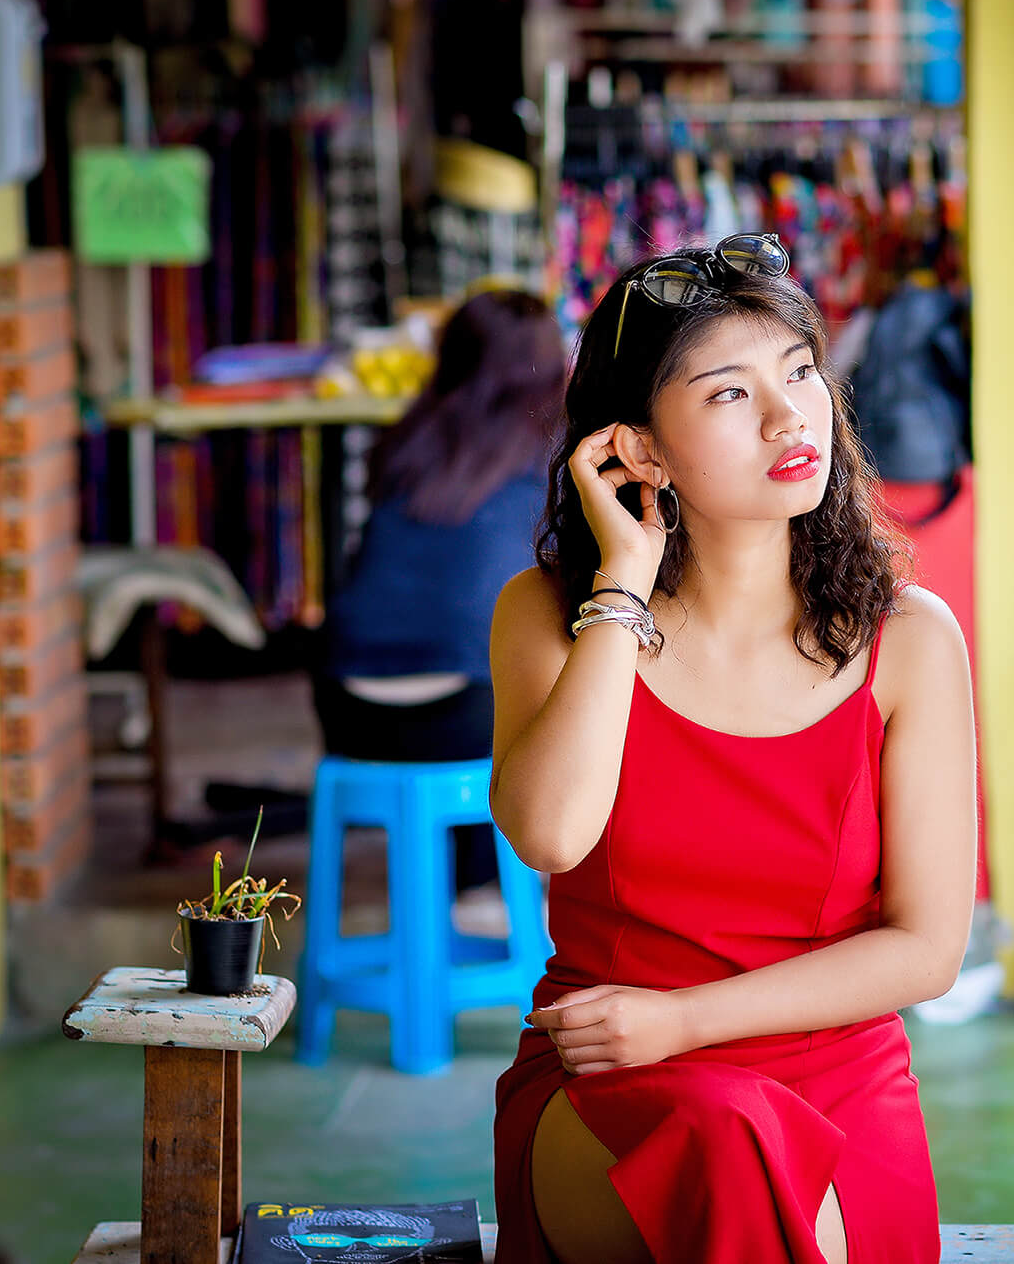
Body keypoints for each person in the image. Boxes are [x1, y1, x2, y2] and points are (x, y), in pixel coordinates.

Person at [487, 235, 978, 1264]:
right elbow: (549, 832)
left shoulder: (911, 638)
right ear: (639, 449)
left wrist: (689, 1020)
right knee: (723, 1139)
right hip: (614, 1076)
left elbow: (927, 948)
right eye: (725, 393)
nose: (788, 414)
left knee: (748, 1158)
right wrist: (621, 579)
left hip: (837, 1078)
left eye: (798, 372)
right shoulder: (550, 613)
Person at [316, 288, 567, 891]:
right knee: (562, 645)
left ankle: (461, 881)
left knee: (490, 642)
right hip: (463, 718)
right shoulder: (561, 449)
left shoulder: (407, 439)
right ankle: (492, 885)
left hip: (348, 708)